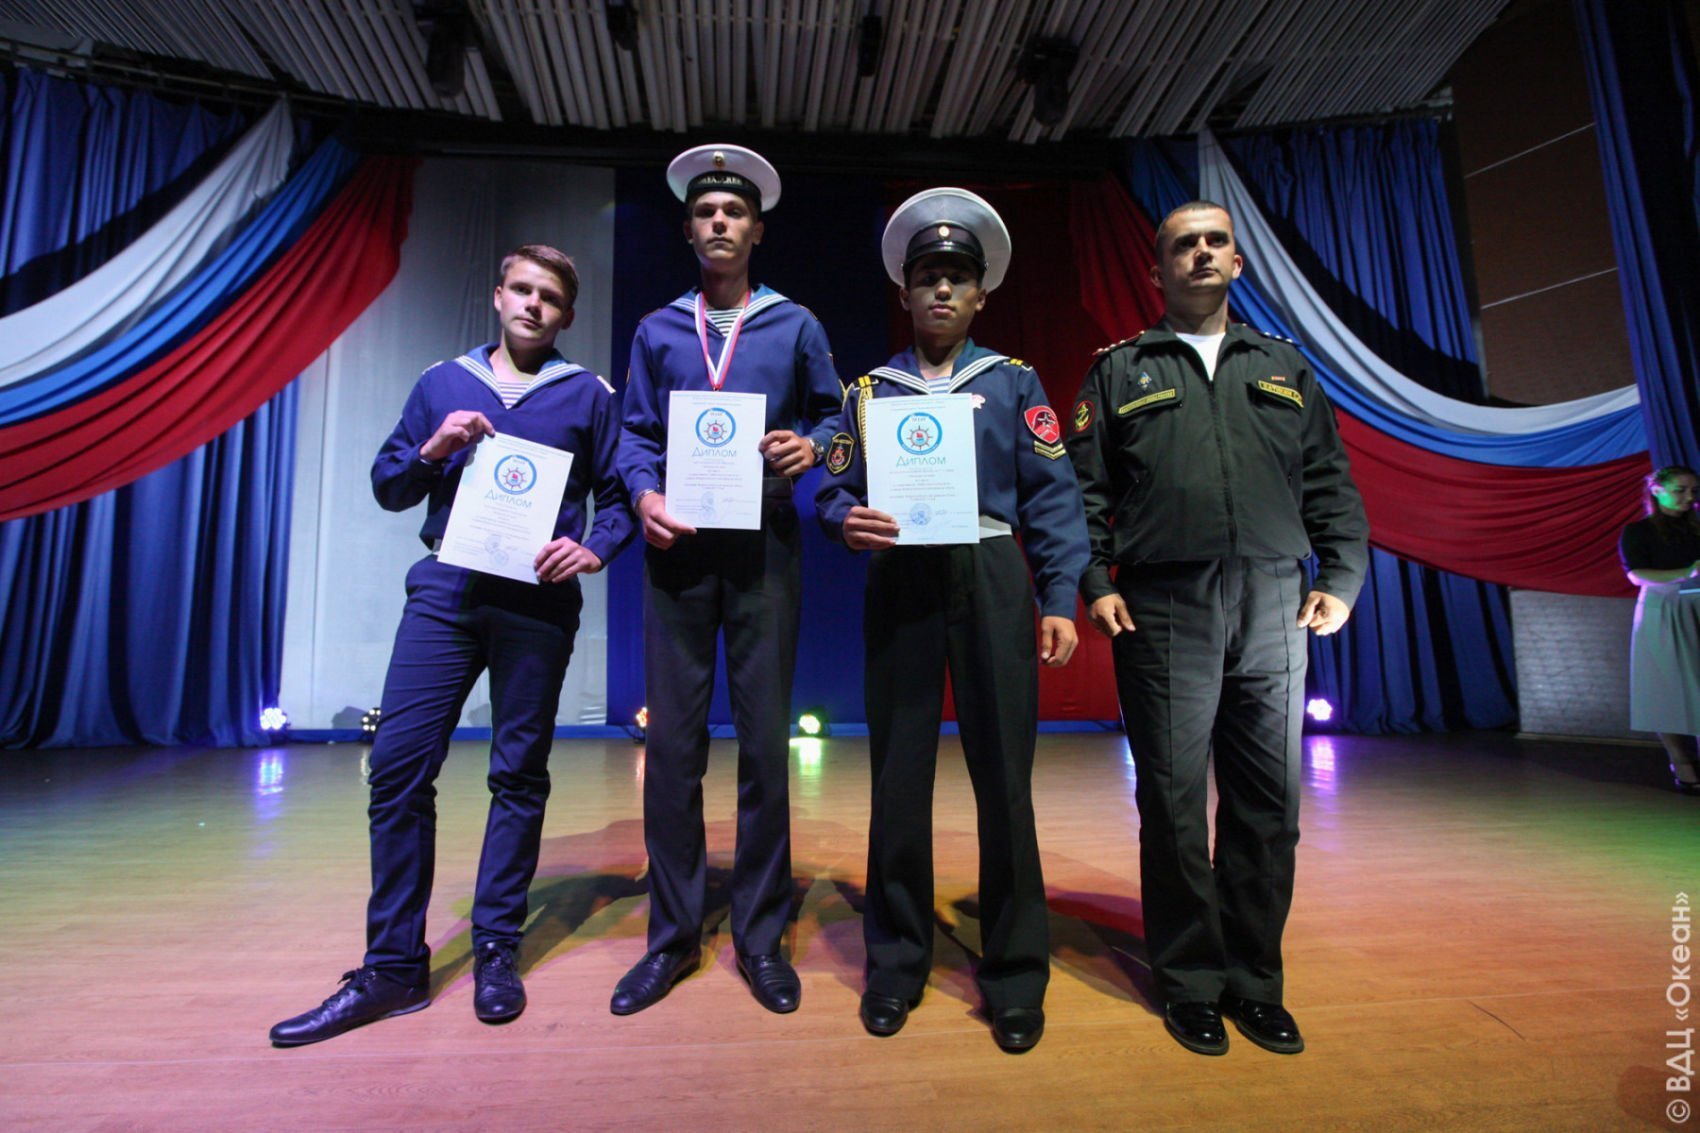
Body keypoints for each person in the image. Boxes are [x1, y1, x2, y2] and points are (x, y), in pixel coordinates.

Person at [269, 245, 633, 1047]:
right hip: (446, 590)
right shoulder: (442, 383)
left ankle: (497, 947)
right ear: (497, 296)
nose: (533, 305)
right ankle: (394, 965)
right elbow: (389, 484)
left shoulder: (587, 393)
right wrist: (434, 447)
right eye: (521, 290)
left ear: (567, 315)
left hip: (538, 600)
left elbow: (620, 496)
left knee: (518, 773)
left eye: (549, 297)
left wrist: (595, 546)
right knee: (399, 768)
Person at [1065, 201, 1368, 1057]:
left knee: (1268, 808)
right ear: (1157, 269)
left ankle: (1255, 982)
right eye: (1182, 245)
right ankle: (1191, 981)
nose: (1200, 253)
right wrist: (1094, 580)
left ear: (1236, 263)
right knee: (1170, 805)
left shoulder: (1284, 367)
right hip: (1163, 604)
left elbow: (1330, 479)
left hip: (1275, 601)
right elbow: (1080, 492)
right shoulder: (1119, 371)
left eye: (1214, 242)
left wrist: (1341, 575)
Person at [817, 188, 1089, 1053]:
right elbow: (830, 482)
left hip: (992, 574)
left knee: (1005, 782)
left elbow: (1054, 497)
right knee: (899, 778)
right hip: (902, 577)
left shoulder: (1013, 382)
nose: (941, 290)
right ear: (904, 293)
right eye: (927, 277)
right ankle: (896, 963)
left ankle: (1015, 972)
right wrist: (841, 517)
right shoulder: (869, 391)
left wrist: (1058, 596)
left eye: (957, 278)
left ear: (981, 295)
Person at [612, 144, 841, 1016]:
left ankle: (760, 936)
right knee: (672, 751)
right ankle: (671, 938)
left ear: (756, 231)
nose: (719, 222)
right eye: (706, 212)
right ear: (688, 230)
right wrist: (644, 493)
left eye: (734, 212)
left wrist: (811, 446)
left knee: (764, 746)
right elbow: (634, 435)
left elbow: (835, 416)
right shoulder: (656, 330)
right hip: (677, 552)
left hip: (763, 551)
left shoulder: (796, 325)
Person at [1619, 464, 1700, 793]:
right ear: (1657, 490)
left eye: (1693, 491)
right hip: (1664, 608)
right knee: (1666, 687)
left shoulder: (1697, 527)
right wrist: (1687, 572)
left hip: (1696, 602)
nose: (1689, 497)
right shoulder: (1639, 531)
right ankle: (1682, 763)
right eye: (1680, 490)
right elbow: (1637, 575)